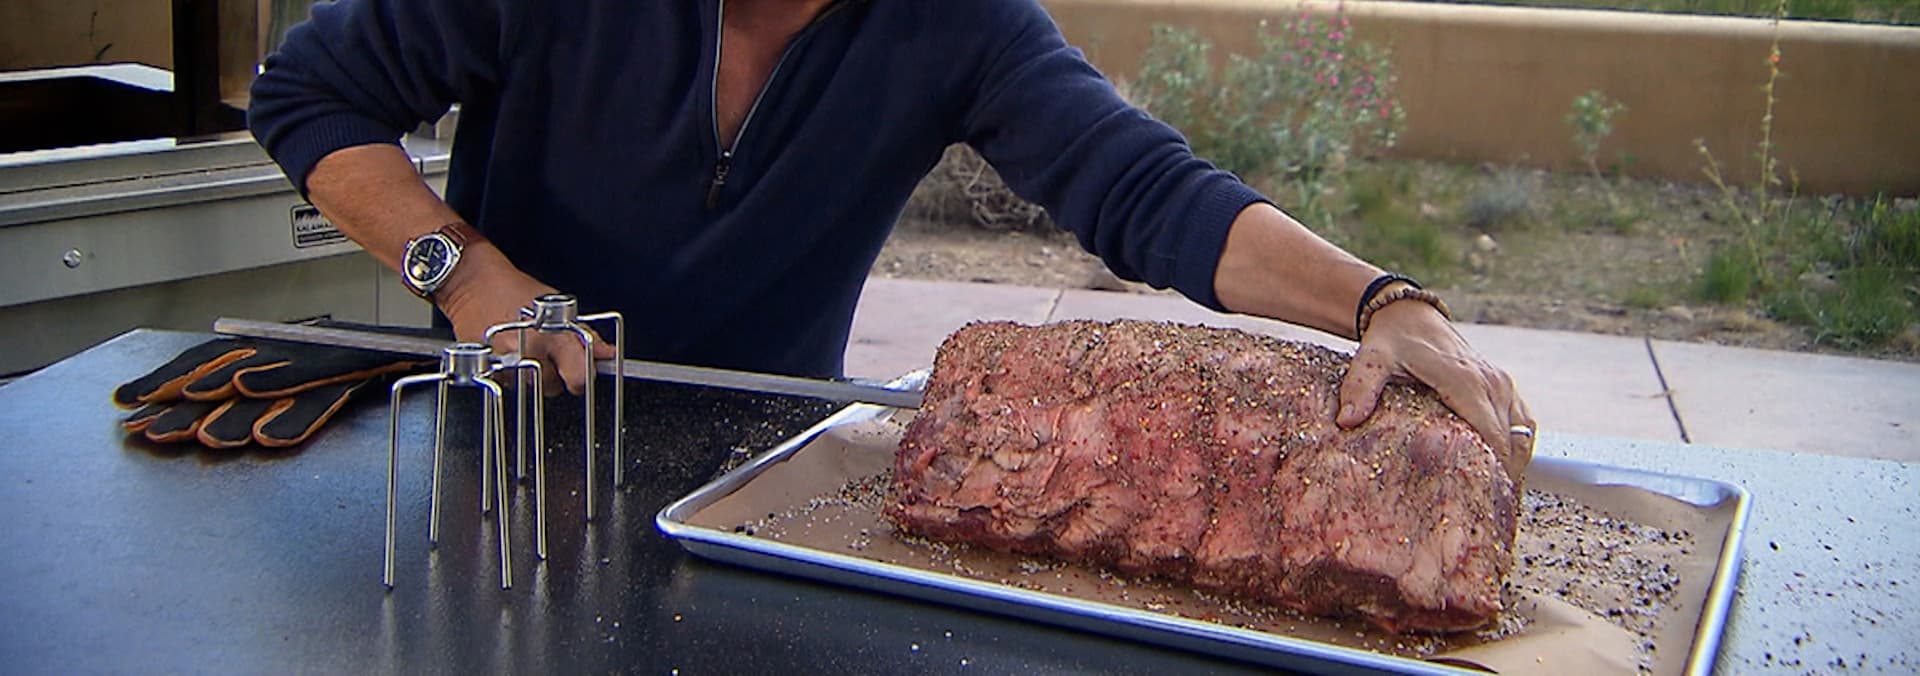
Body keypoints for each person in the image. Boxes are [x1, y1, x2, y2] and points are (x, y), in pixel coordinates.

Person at [249, 0, 1536, 472]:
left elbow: (1143, 184)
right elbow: (309, 94)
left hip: (761, 469)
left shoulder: (956, 25)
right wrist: (464, 271)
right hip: (508, 452)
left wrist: (1385, 301)